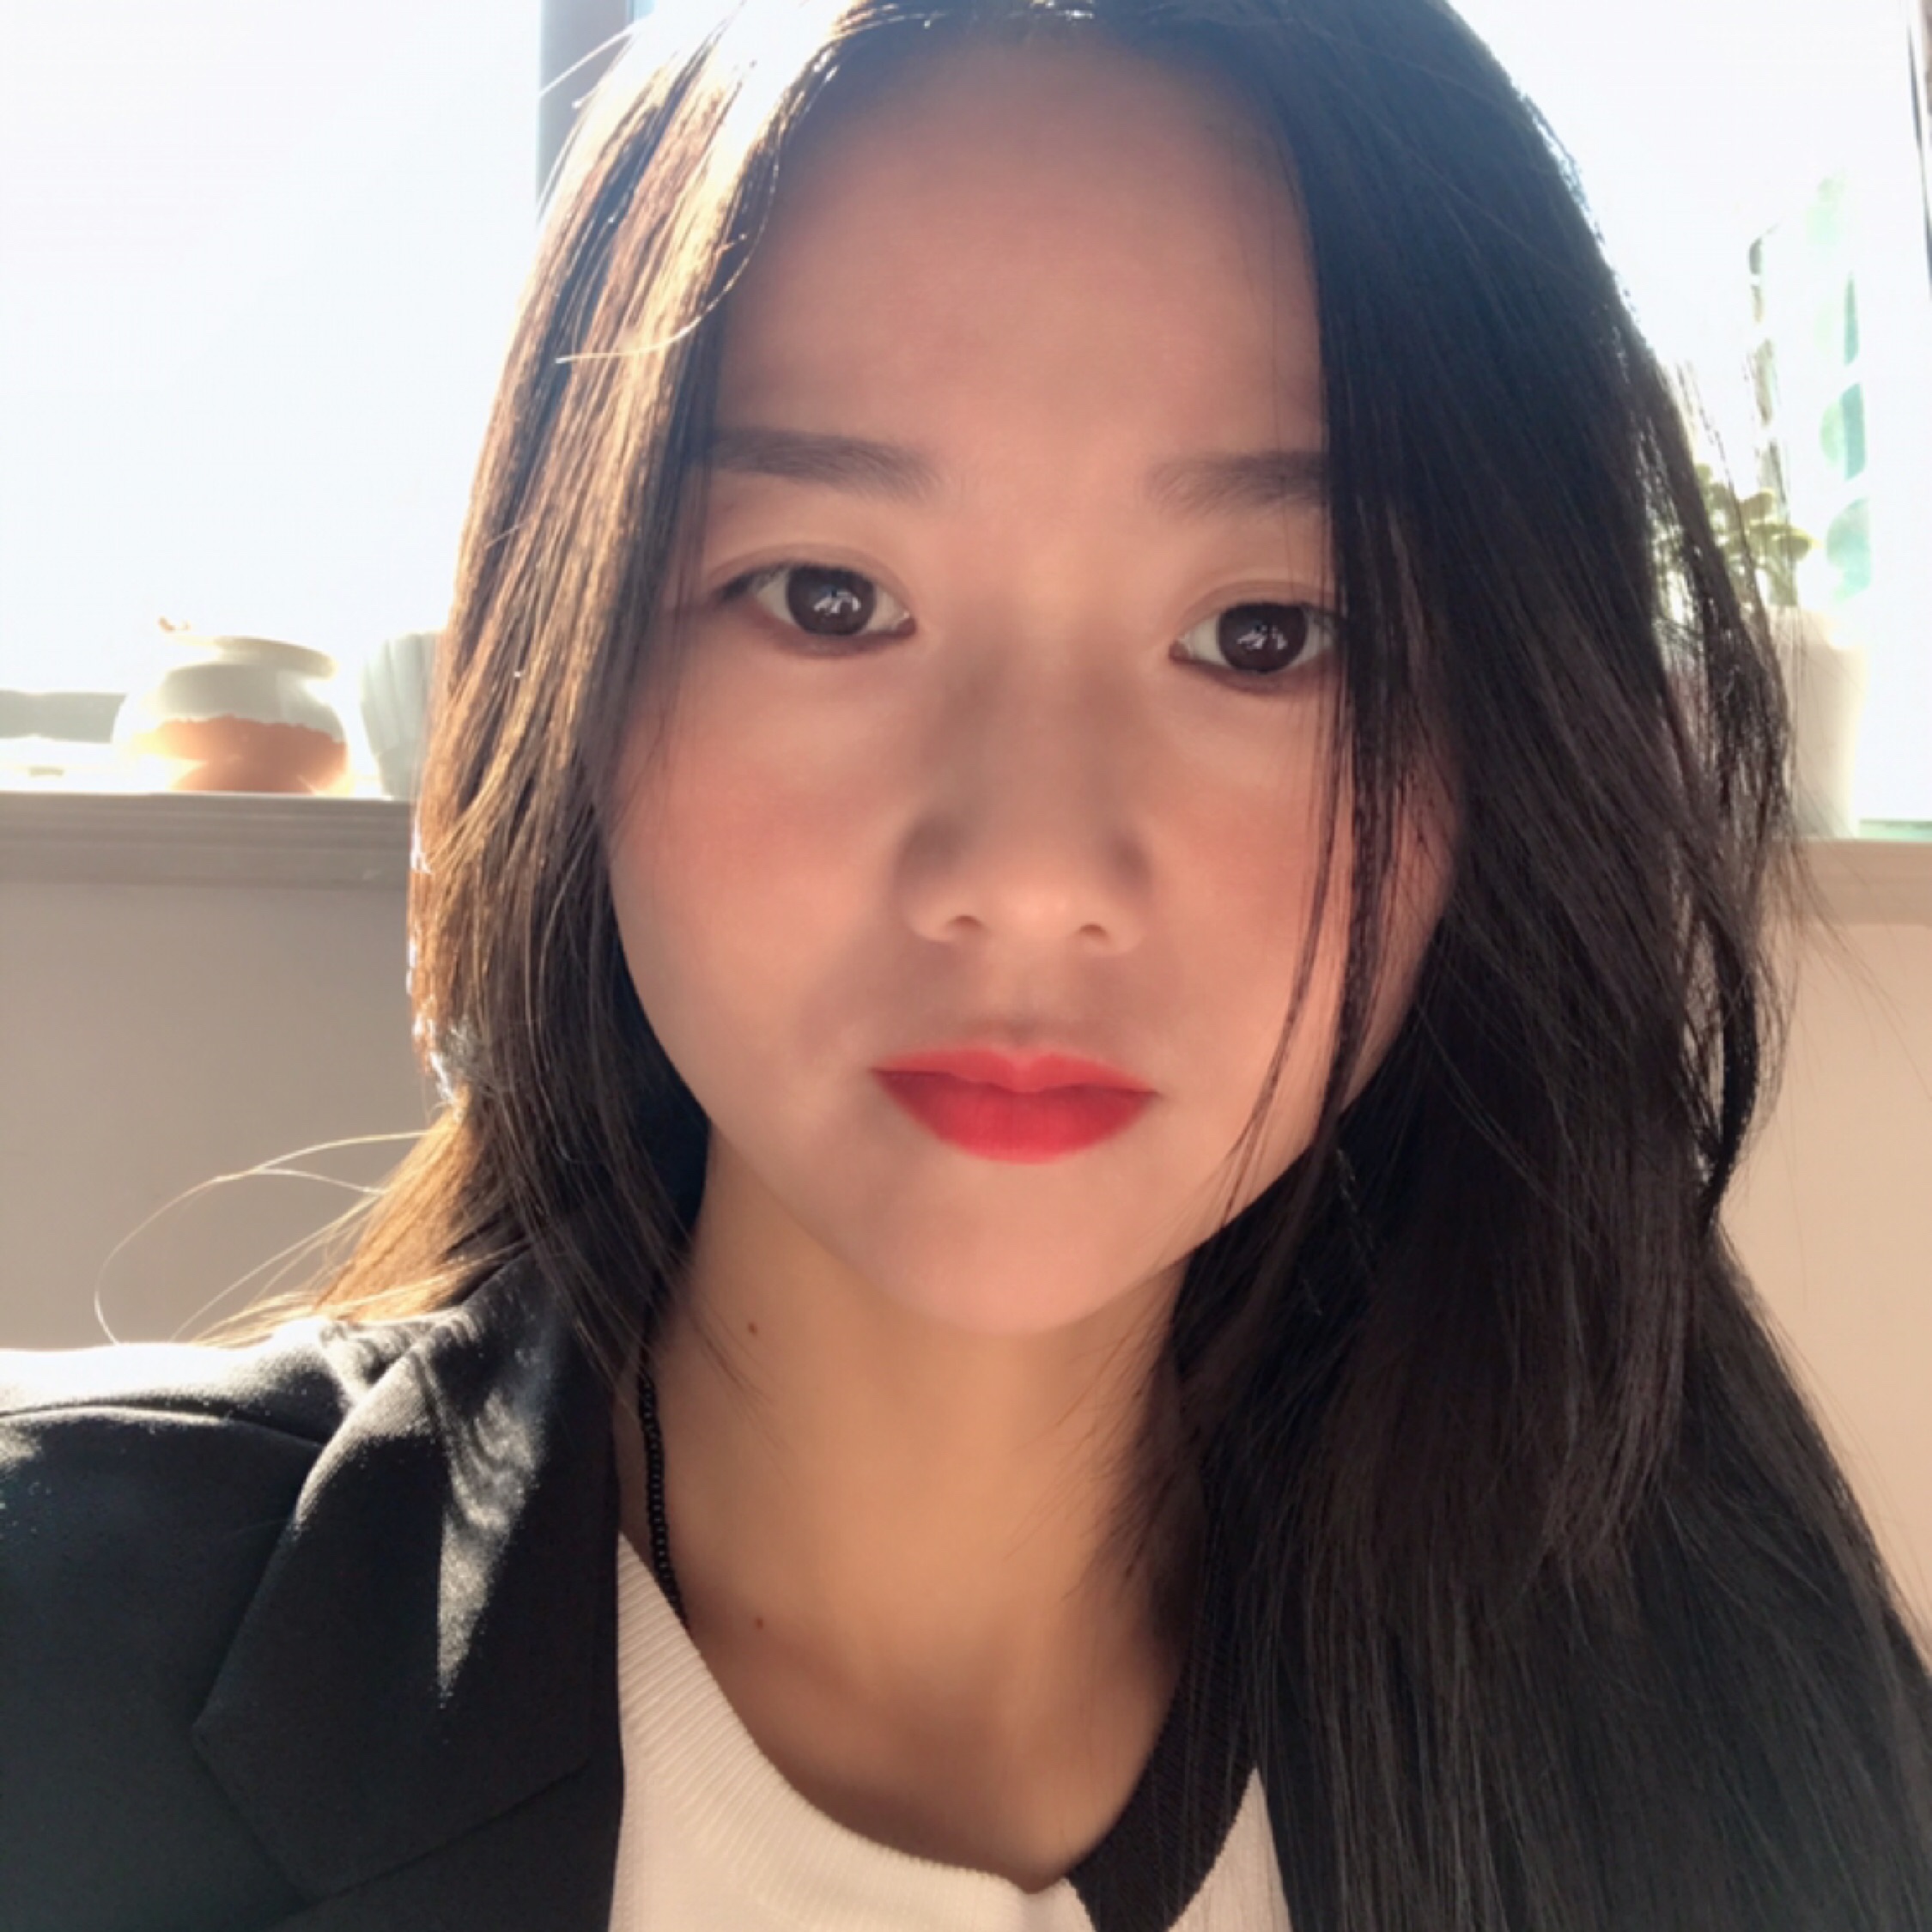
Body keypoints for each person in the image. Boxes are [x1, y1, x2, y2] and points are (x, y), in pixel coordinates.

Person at [4, 0, 1930, 1924]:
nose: (1025, 877)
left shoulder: (1744, 1746)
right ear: (570, 666)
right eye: (828, 598)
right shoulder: (57, 1657)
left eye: (1265, 635)